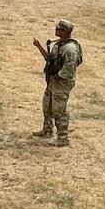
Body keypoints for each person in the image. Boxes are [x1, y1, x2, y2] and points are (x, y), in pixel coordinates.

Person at [33, 19, 82, 147]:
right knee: (47, 105)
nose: (56, 30)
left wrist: (58, 77)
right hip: (53, 81)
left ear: (66, 32)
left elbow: (69, 68)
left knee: (59, 109)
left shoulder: (70, 49)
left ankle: (63, 137)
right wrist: (39, 47)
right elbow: (49, 60)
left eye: (59, 29)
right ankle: (47, 130)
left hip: (61, 83)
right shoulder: (58, 45)